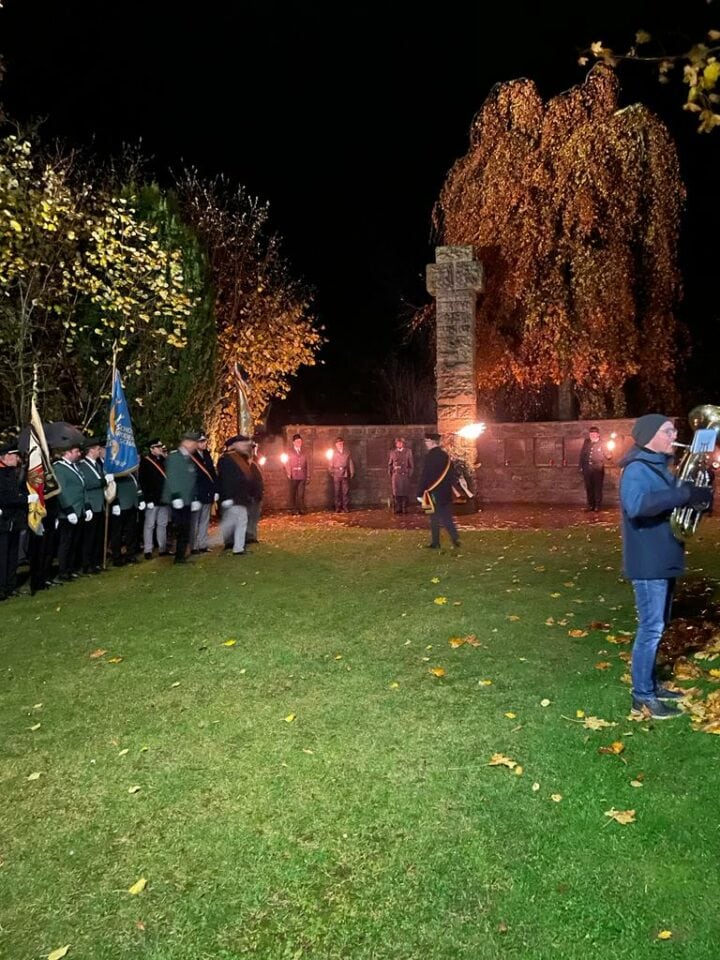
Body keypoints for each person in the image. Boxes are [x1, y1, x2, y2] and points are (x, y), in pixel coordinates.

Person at [619, 413, 712, 720]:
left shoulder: (660, 468)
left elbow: (677, 502)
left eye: (673, 430)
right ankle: (642, 697)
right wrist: (683, 493)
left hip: (664, 556)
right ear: (649, 436)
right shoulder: (636, 468)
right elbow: (637, 505)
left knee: (658, 626)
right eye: (667, 431)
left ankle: (650, 685)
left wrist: (700, 495)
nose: (674, 435)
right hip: (649, 562)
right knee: (651, 628)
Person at [0, 440, 39, 600]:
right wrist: (26, 499)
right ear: (5, 457)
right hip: (3, 521)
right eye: (14, 456)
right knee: (2, 556)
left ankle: (10, 586)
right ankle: (2, 588)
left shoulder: (11, 473)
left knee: (12, 555)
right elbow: (6, 497)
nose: (17, 459)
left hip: (14, 521)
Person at [417, 432, 460, 550]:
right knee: (447, 516)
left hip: (432, 492)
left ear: (431, 442)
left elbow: (425, 476)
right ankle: (455, 538)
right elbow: (452, 474)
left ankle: (436, 542)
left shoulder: (429, 457)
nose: (426, 444)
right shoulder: (445, 456)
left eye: (427, 441)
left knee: (433, 518)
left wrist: (420, 492)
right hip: (445, 492)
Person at [163, 431, 200, 564]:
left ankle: (181, 554)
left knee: (186, 528)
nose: (195, 446)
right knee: (181, 528)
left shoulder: (188, 458)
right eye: (194, 443)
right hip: (178, 499)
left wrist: (194, 498)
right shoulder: (175, 457)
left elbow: (191, 480)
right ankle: (178, 556)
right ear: (186, 442)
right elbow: (172, 477)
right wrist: (176, 495)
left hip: (187, 499)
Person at [52, 441, 87, 582]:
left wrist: (86, 506)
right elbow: (61, 491)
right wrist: (68, 509)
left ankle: (70, 569)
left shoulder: (74, 466)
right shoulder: (59, 468)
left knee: (74, 542)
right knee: (66, 543)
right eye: (76, 451)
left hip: (79, 509)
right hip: (69, 511)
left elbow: (82, 486)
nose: (79, 454)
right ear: (67, 453)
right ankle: (63, 571)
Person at [218, 434, 258, 555]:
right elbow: (225, 480)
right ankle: (236, 547)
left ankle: (238, 547)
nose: (244, 446)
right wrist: (227, 496)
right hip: (233, 497)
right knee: (236, 521)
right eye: (241, 444)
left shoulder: (239, 458)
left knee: (240, 521)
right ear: (233, 445)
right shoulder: (226, 459)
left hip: (240, 497)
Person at [77, 437, 108, 574]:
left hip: (100, 504)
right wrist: (103, 481)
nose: (99, 451)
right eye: (97, 449)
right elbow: (86, 484)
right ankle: (86, 564)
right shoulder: (82, 465)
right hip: (91, 504)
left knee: (98, 536)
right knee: (89, 537)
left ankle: (96, 562)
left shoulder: (97, 465)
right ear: (90, 450)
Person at [139, 439, 170, 559]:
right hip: (152, 498)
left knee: (162, 524)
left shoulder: (163, 460)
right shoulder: (146, 462)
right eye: (157, 447)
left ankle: (162, 548)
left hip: (163, 498)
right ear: (151, 449)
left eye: (160, 446)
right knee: (149, 525)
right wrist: (148, 499)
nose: (160, 449)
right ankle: (148, 549)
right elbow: (143, 482)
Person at [189, 433, 218, 553]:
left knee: (204, 521)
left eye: (204, 441)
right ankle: (194, 546)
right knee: (194, 522)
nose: (204, 443)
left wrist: (215, 490)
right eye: (201, 442)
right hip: (196, 494)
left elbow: (212, 474)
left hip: (207, 493)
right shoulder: (190, 457)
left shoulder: (207, 454)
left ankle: (203, 544)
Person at [109, 470, 145, 567]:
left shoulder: (131, 474)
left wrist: (141, 499)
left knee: (131, 531)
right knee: (117, 533)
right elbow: (111, 489)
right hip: (121, 506)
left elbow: (137, 486)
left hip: (132, 505)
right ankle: (117, 557)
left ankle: (130, 555)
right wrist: (115, 503)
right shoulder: (115, 474)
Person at [579, 426, 611, 512]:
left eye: (594, 433)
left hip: (598, 469)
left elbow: (608, 455)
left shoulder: (602, 443)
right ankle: (590, 505)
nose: (592, 435)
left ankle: (597, 505)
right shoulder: (586, 442)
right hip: (587, 468)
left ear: (598, 434)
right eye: (591, 434)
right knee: (589, 487)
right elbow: (582, 455)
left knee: (597, 487)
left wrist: (609, 454)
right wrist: (581, 467)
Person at [388, 436, 414, 514]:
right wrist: (392, 473)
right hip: (396, 475)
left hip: (404, 475)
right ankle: (397, 508)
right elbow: (390, 464)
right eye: (398, 443)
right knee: (396, 493)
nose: (399, 444)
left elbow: (411, 465)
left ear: (403, 444)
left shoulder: (408, 451)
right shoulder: (392, 452)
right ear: (396, 444)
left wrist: (409, 473)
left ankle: (404, 508)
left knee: (405, 492)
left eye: (400, 443)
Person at [328, 437, 355, 512]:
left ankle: (345, 506)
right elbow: (330, 463)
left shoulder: (347, 452)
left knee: (345, 491)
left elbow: (350, 462)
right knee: (337, 491)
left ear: (343, 443)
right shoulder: (333, 453)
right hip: (336, 473)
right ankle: (338, 507)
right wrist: (331, 471)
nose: (340, 445)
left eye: (341, 443)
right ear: (336, 445)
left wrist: (352, 472)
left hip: (344, 473)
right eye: (338, 444)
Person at [285, 433, 309, 514]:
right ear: (293, 442)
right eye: (297, 441)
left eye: (300, 441)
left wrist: (308, 475)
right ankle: (293, 509)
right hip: (293, 475)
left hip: (302, 475)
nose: (299, 443)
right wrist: (289, 472)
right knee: (293, 493)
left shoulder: (304, 451)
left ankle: (301, 509)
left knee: (301, 494)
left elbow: (308, 464)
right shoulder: (289, 452)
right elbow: (286, 463)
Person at [246, 442, 264, 544]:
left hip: (257, 494)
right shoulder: (247, 464)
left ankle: (252, 535)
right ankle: (249, 536)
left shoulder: (256, 461)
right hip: (251, 494)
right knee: (249, 516)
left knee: (254, 517)